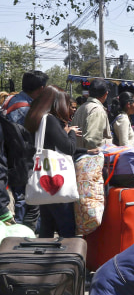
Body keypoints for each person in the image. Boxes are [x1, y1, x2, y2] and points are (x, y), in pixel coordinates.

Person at [24, 86, 92, 238]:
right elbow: (68, 148)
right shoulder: (50, 120)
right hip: (56, 180)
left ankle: (44, 257)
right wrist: (72, 132)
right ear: (58, 103)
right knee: (66, 226)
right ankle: (68, 259)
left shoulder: (36, 118)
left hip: (44, 176)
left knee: (47, 225)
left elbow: (52, 146)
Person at [5, 70, 48, 229]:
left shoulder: (12, 100)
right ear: (42, 88)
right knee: (23, 198)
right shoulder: (25, 108)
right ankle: (22, 234)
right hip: (21, 159)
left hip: (11, 157)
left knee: (21, 197)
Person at [71, 78, 112, 150]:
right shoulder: (97, 110)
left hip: (79, 155)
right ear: (106, 94)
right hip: (91, 158)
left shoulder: (81, 108)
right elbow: (92, 142)